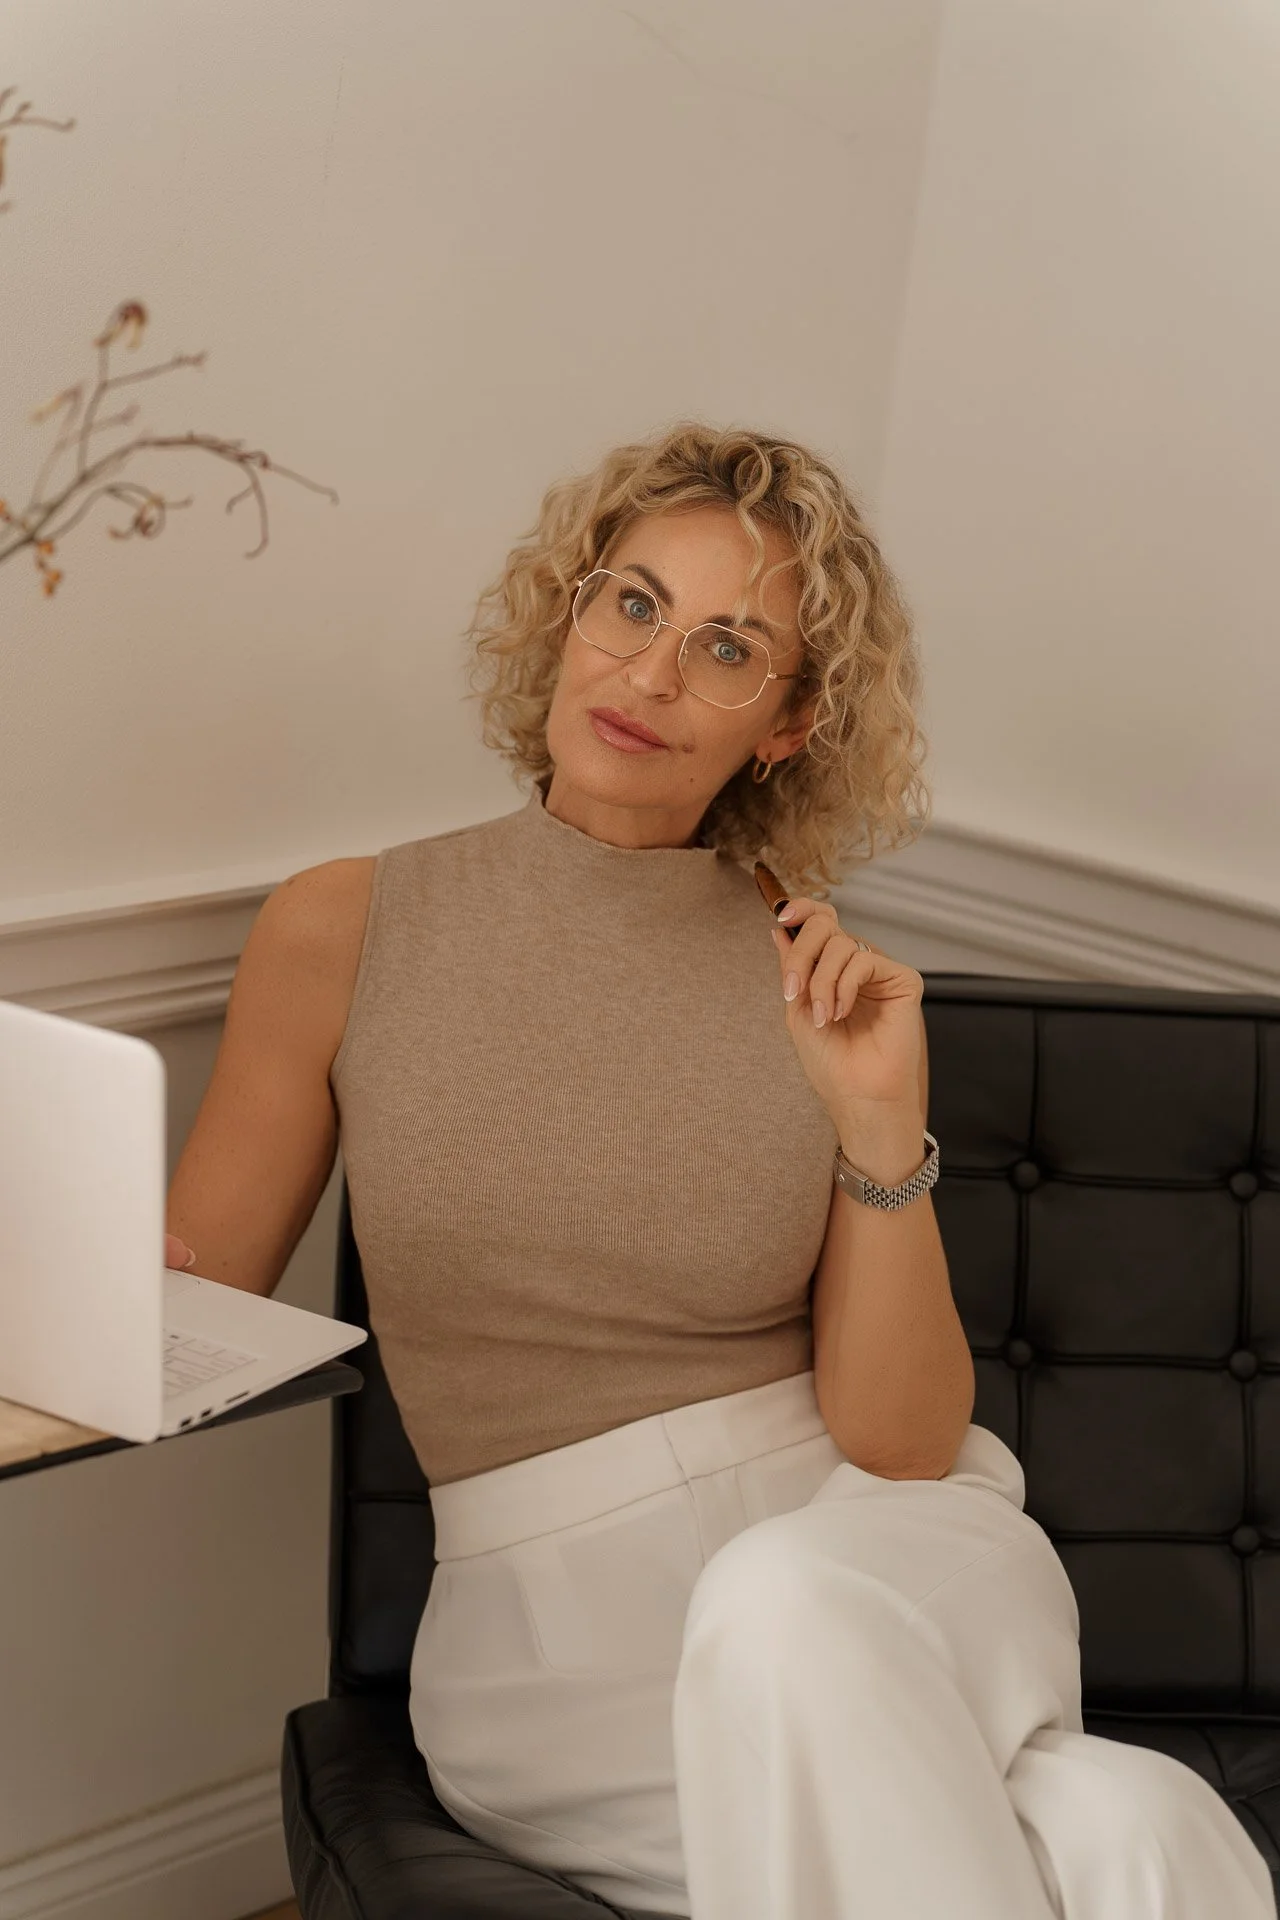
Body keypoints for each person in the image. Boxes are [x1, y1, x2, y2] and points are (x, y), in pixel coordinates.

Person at [164, 422, 1277, 1920]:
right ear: (566, 614)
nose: (651, 674)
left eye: (729, 647)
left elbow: (900, 1443)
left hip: (881, 1550)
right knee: (1128, 1825)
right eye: (632, 605)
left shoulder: (814, 984)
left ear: (790, 723)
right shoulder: (343, 929)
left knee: (785, 1599)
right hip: (552, 1642)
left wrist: (881, 1126)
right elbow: (194, 1303)